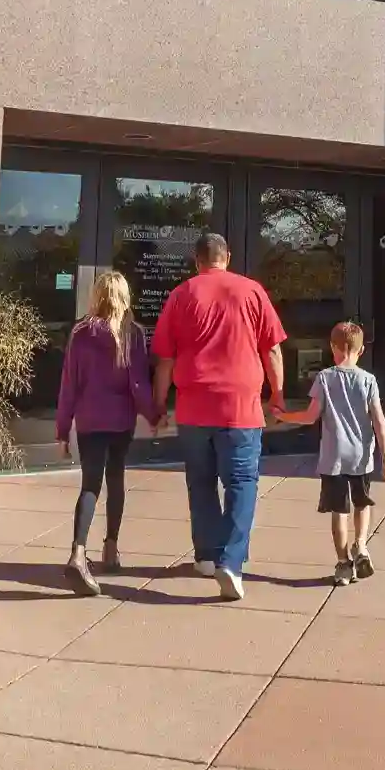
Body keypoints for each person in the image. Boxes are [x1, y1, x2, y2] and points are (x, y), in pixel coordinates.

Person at [152, 233, 286, 601]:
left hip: (194, 407)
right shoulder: (252, 291)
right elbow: (271, 350)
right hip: (241, 407)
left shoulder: (181, 295)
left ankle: (207, 557)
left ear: (196, 260)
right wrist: (277, 395)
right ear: (227, 256)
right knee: (242, 483)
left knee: (200, 482)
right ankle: (232, 560)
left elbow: (165, 359)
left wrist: (159, 405)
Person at [55, 269, 158, 597]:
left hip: (88, 421)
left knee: (90, 485)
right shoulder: (133, 333)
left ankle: (77, 552)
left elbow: (69, 384)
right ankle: (110, 549)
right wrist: (154, 415)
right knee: (115, 480)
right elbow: (138, 385)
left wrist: (62, 428)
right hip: (120, 422)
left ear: (97, 296)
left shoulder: (80, 333)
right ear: (125, 297)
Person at [273, 321, 385, 585]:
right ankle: (360, 545)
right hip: (361, 457)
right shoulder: (368, 380)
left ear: (332, 347)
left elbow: (310, 416)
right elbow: (379, 420)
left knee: (339, 511)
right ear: (360, 351)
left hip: (334, 457)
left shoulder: (325, 378)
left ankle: (343, 564)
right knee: (362, 503)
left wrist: (284, 416)